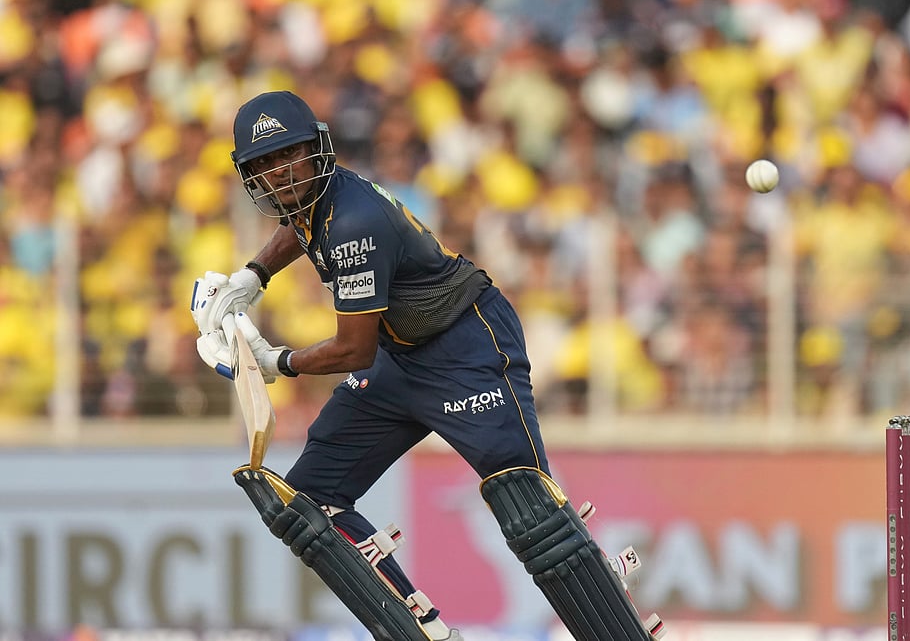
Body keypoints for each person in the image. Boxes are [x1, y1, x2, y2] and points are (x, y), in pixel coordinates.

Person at [189, 91, 664, 641]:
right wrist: (255, 274)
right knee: (309, 500)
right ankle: (421, 628)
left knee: (527, 502)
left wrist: (276, 362)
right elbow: (302, 224)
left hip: (467, 348)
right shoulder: (320, 199)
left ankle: (614, 622)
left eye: (289, 155)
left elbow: (352, 351)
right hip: (400, 357)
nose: (281, 173)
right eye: (265, 164)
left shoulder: (354, 222)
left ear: (316, 150)